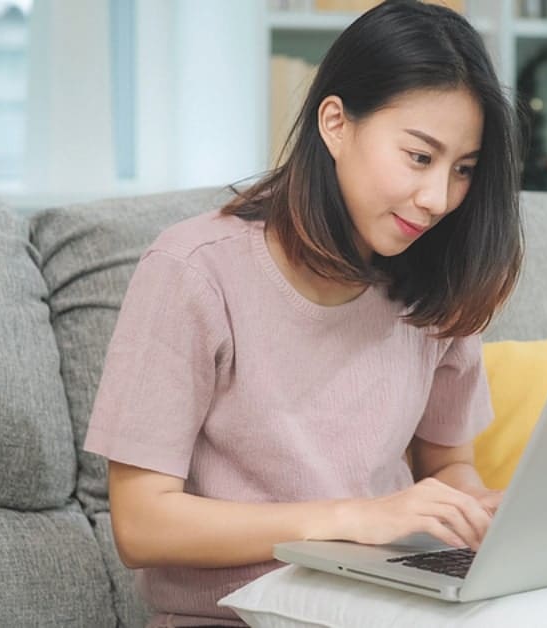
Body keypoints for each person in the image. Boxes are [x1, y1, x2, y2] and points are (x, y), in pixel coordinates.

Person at [84, 1, 524, 625]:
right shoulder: (194, 271)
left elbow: (446, 465)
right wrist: (350, 519)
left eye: (464, 171)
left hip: (390, 607)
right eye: (420, 157)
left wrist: (479, 510)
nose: (437, 199)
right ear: (336, 123)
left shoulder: (437, 282)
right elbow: (142, 524)